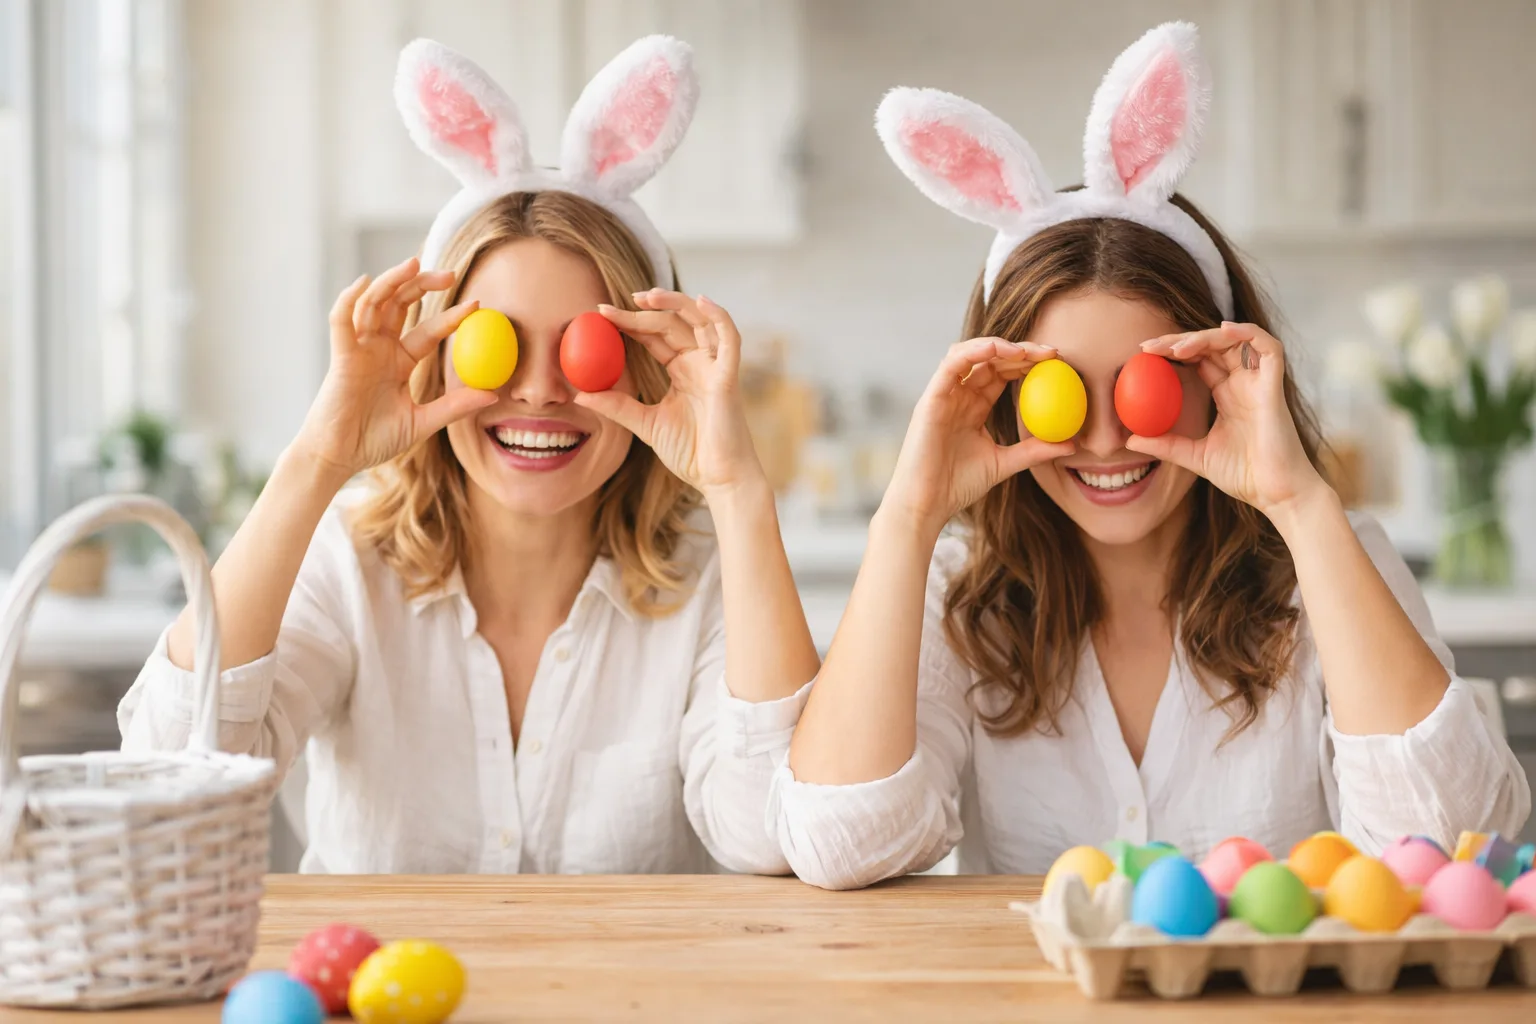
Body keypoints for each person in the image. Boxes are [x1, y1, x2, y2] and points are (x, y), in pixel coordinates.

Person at [771, 22, 1528, 890]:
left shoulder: (1327, 566)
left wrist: (1300, 504)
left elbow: (1455, 850)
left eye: (1144, 388)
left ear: (1215, 382)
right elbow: (838, 847)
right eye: (1059, 394)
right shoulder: (961, 599)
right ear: (1007, 401)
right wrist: (906, 519)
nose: (1102, 440)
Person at [120, 36, 816, 874]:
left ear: (643, 365)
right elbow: (168, 787)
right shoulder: (350, 562)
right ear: (437, 356)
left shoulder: (708, 576)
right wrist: (317, 461)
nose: (538, 392)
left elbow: (770, 838)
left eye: (584, 348)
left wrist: (738, 489)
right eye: (496, 343)